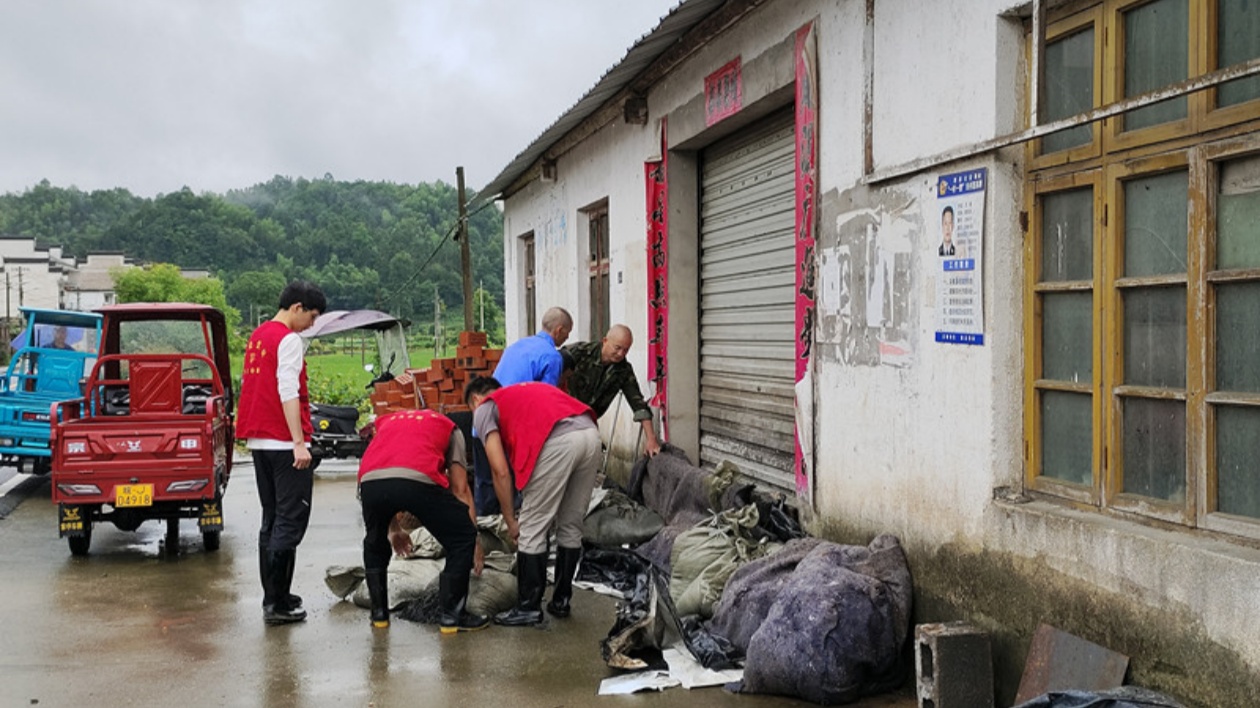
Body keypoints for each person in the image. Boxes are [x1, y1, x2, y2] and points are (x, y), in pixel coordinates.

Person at [465, 377, 601, 626]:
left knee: (532, 527)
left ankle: (528, 607)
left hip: (558, 442)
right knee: (571, 523)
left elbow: (500, 471)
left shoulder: (484, 407)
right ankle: (561, 601)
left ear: (475, 399)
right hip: (591, 434)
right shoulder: (527, 392)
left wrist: (510, 519)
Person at [236, 280, 326, 626]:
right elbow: (288, 391)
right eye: (312, 316)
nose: (312, 325)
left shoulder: (258, 336)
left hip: (259, 441)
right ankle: (276, 604)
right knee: (289, 522)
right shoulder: (288, 340)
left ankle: (275, 596)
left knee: (271, 519)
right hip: (283, 442)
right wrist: (299, 442)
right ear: (297, 307)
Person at [358, 408, 489, 633]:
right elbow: (460, 489)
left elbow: (385, 471)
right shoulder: (451, 429)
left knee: (374, 541)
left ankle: (379, 614)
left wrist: (393, 529)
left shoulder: (388, 421)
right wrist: (473, 538)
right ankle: (452, 617)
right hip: (418, 481)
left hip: (370, 482)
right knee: (461, 538)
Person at [471, 306, 573, 515]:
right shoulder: (552, 357)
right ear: (559, 330)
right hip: (510, 430)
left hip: (482, 422)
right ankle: (513, 537)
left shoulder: (516, 346)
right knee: (514, 490)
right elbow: (546, 403)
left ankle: (486, 539)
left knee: (485, 488)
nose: (567, 337)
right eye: (567, 333)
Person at [561, 324, 662, 458]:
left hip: (586, 425)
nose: (621, 354)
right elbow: (548, 378)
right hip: (561, 420)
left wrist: (651, 439)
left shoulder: (623, 370)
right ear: (605, 341)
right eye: (617, 348)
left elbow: (639, 405)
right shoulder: (577, 352)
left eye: (626, 350)